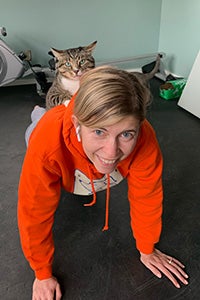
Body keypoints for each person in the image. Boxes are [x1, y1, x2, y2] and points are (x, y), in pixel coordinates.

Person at [18, 65, 189, 300]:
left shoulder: (145, 139)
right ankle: (38, 112)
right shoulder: (47, 144)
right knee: (37, 125)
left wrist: (147, 249)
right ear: (78, 125)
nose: (112, 151)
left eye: (126, 134)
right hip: (46, 132)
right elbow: (34, 212)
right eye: (99, 131)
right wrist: (42, 273)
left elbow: (147, 197)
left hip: (79, 157)